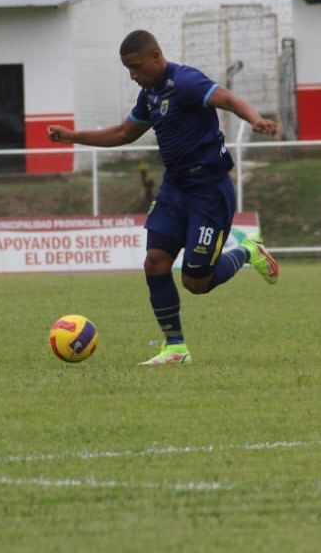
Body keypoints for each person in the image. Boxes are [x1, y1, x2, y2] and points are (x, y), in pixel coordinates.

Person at [47, 30, 280, 366]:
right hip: (175, 190)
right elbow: (124, 133)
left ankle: (247, 252)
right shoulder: (150, 95)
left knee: (196, 282)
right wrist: (73, 137)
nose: (133, 75)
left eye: (137, 67)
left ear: (156, 56)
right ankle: (174, 348)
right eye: (128, 69)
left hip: (209, 193)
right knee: (155, 261)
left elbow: (227, 99)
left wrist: (255, 119)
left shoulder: (186, 82)